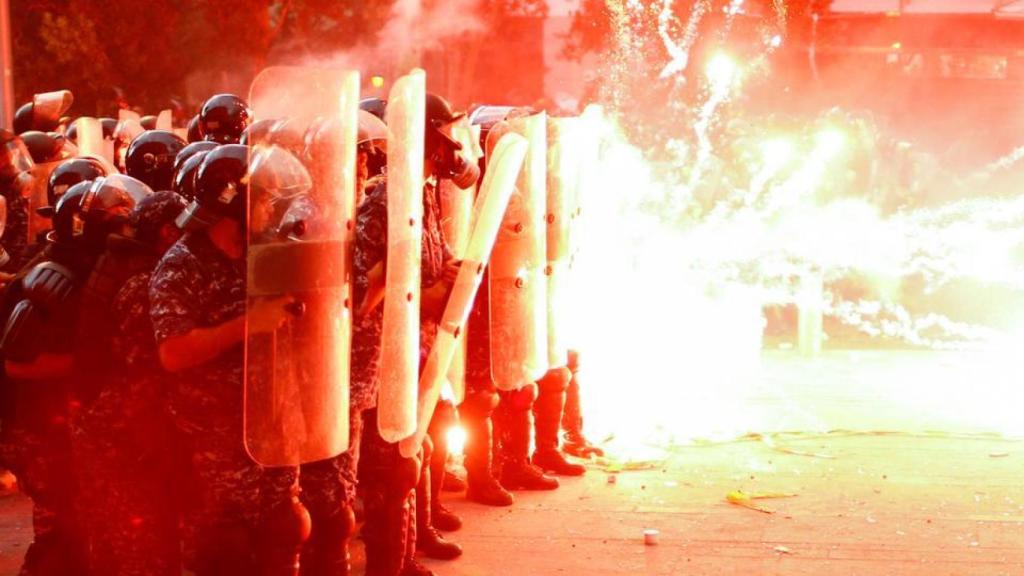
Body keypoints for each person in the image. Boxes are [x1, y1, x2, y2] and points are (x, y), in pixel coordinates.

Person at [149, 144, 308, 575]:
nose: (271, 210)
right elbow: (172, 353)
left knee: (285, 531)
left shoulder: (263, 251)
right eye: (263, 199)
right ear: (233, 202)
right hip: (215, 444)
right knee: (225, 551)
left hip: (272, 430)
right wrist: (249, 324)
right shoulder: (182, 265)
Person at [354, 92, 475, 576]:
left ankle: (411, 543)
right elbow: (369, 291)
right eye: (445, 135)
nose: (453, 148)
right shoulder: (385, 199)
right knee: (392, 464)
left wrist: (451, 273)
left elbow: (425, 265)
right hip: (382, 356)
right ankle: (389, 564)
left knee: (422, 444)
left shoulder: (421, 192)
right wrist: (431, 293)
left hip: (417, 346)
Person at [73, 189, 190, 576]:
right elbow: (142, 375)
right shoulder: (142, 283)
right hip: (124, 434)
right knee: (145, 551)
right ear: (165, 232)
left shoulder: (123, 266)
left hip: (107, 426)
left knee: (114, 547)